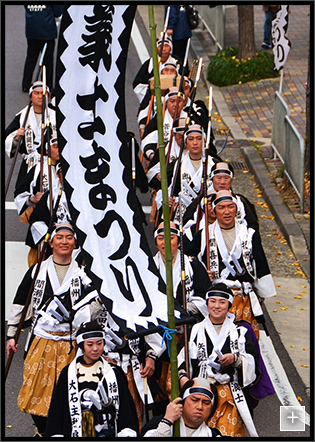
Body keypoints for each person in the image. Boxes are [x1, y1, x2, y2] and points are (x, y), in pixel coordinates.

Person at [6, 222, 103, 437]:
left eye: (69, 238)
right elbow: (21, 302)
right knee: (36, 389)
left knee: (75, 390)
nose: (64, 242)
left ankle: (66, 431)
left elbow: (97, 305)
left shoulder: (84, 275)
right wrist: (11, 334)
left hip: (71, 342)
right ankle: (43, 430)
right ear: (51, 242)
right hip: (41, 340)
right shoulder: (37, 271)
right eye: (60, 237)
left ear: (75, 243)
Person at [185, 190, 277, 338]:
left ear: (237, 209)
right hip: (215, 297)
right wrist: (201, 273)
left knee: (244, 341)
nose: (226, 211)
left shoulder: (249, 234)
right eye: (221, 207)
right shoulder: (204, 234)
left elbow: (260, 264)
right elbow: (188, 260)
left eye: (230, 206)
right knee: (215, 341)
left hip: (242, 296)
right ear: (214, 211)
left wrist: (262, 295)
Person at [178, 284, 259, 437]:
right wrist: (183, 379)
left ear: (229, 305)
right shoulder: (194, 330)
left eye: (222, 302)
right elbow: (180, 360)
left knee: (228, 433)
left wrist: (235, 359)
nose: (216, 306)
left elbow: (253, 362)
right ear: (207, 303)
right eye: (212, 301)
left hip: (228, 393)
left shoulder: (239, 332)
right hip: (200, 393)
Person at [45, 321, 139, 437]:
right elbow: (57, 408)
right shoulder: (68, 373)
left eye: (99, 343)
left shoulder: (113, 372)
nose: (95, 348)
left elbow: (125, 408)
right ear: (82, 346)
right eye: (90, 344)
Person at [155, 124, 217, 223]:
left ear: (204, 142)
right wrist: (167, 199)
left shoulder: (214, 164)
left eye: (199, 139)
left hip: (209, 213)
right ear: (185, 143)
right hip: (182, 213)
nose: (195, 143)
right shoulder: (177, 165)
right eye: (191, 139)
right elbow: (164, 189)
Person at [5, 80, 56, 187]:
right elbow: (7, 137)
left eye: (43, 94)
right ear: (30, 96)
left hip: (51, 161)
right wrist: (17, 137)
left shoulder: (55, 115)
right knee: (23, 191)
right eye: (36, 93)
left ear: (48, 96)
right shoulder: (22, 116)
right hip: (29, 161)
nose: (40, 97)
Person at [141, 377, 222, 437]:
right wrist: (167, 421)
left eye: (206, 403)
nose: (200, 407)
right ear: (182, 401)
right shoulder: (158, 424)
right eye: (194, 400)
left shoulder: (212, 435)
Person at [22, 4, 64, 92]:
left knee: (31, 57)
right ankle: (46, 83)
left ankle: (26, 84)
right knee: (47, 60)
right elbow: (58, 11)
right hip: (47, 31)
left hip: (31, 29)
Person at [133, 32, 180, 104]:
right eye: (160, 46)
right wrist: (151, 92)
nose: (163, 49)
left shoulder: (177, 63)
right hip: (154, 98)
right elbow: (138, 84)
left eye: (166, 46)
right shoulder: (149, 64)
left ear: (170, 48)